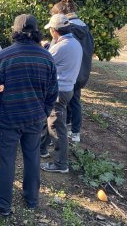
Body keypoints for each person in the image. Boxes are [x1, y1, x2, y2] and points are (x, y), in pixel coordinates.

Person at [0, 14, 58, 215]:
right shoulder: (46, 57)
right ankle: (32, 199)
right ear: (37, 32)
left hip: (8, 117)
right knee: (32, 157)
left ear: (15, 31)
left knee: (7, 161)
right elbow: (53, 92)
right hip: (35, 117)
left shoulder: (5, 55)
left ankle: (4, 205)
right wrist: (43, 112)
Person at [40, 14, 82, 174]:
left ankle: (60, 163)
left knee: (56, 126)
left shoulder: (61, 46)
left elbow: (45, 62)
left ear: (54, 30)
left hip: (59, 90)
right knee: (51, 121)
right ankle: (42, 148)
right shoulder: (74, 43)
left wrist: (44, 48)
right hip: (68, 88)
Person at [51, 0, 94, 142]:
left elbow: (54, 51)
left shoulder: (64, 28)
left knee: (62, 103)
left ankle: (65, 131)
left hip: (67, 71)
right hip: (82, 71)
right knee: (75, 101)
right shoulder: (85, 28)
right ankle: (74, 132)